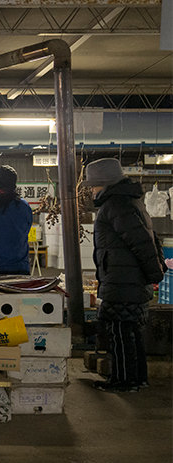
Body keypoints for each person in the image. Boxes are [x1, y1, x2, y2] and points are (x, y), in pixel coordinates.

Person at [85, 158, 165, 392]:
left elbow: (142, 243)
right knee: (130, 334)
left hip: (123, 283)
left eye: (93, 185)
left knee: (120, 334)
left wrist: (154, 273)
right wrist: (153, 272)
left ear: (105, 183)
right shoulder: (131, 202)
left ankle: (123, 381)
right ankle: (137, 379)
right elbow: (152, 239)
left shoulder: (116, 206)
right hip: (128, 281)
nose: (91, 190)